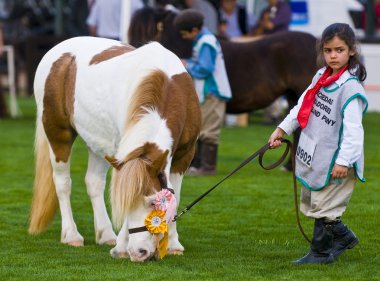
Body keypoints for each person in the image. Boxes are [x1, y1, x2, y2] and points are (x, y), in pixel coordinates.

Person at [268, 23, 368, 264]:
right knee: (315, 202)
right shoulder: (320, 77)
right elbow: (303, 106)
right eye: (328, 50)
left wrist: (344, 162)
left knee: (324, 206)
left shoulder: (350, 88)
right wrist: (282, 128)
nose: (333, 55)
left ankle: (325, 250)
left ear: (352, 50)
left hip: (337, 160)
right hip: (317, 155)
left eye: (339, 50)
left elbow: (354, 132)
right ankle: (331, 245)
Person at [173, 9, 232, 176]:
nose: (184, 37)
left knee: (209, 130)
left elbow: (205, 68)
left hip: (213, 91)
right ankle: (199, 165)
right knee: (202, 128)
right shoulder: (203, 39)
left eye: (185, 34)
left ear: (194, 30)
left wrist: (187, 66)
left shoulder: (206, 41)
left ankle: (208, 167)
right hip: (207, 92)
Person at [251, 0, 292, 125]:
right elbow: (257, 29)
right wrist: (263, 23)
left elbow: (270, 26)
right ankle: (271, 114)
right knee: (268, 82)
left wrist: (265, 23)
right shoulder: (266, 10)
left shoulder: (284, 8)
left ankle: (276, 114)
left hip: (280, 51)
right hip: (267, 51)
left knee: (278, 82)